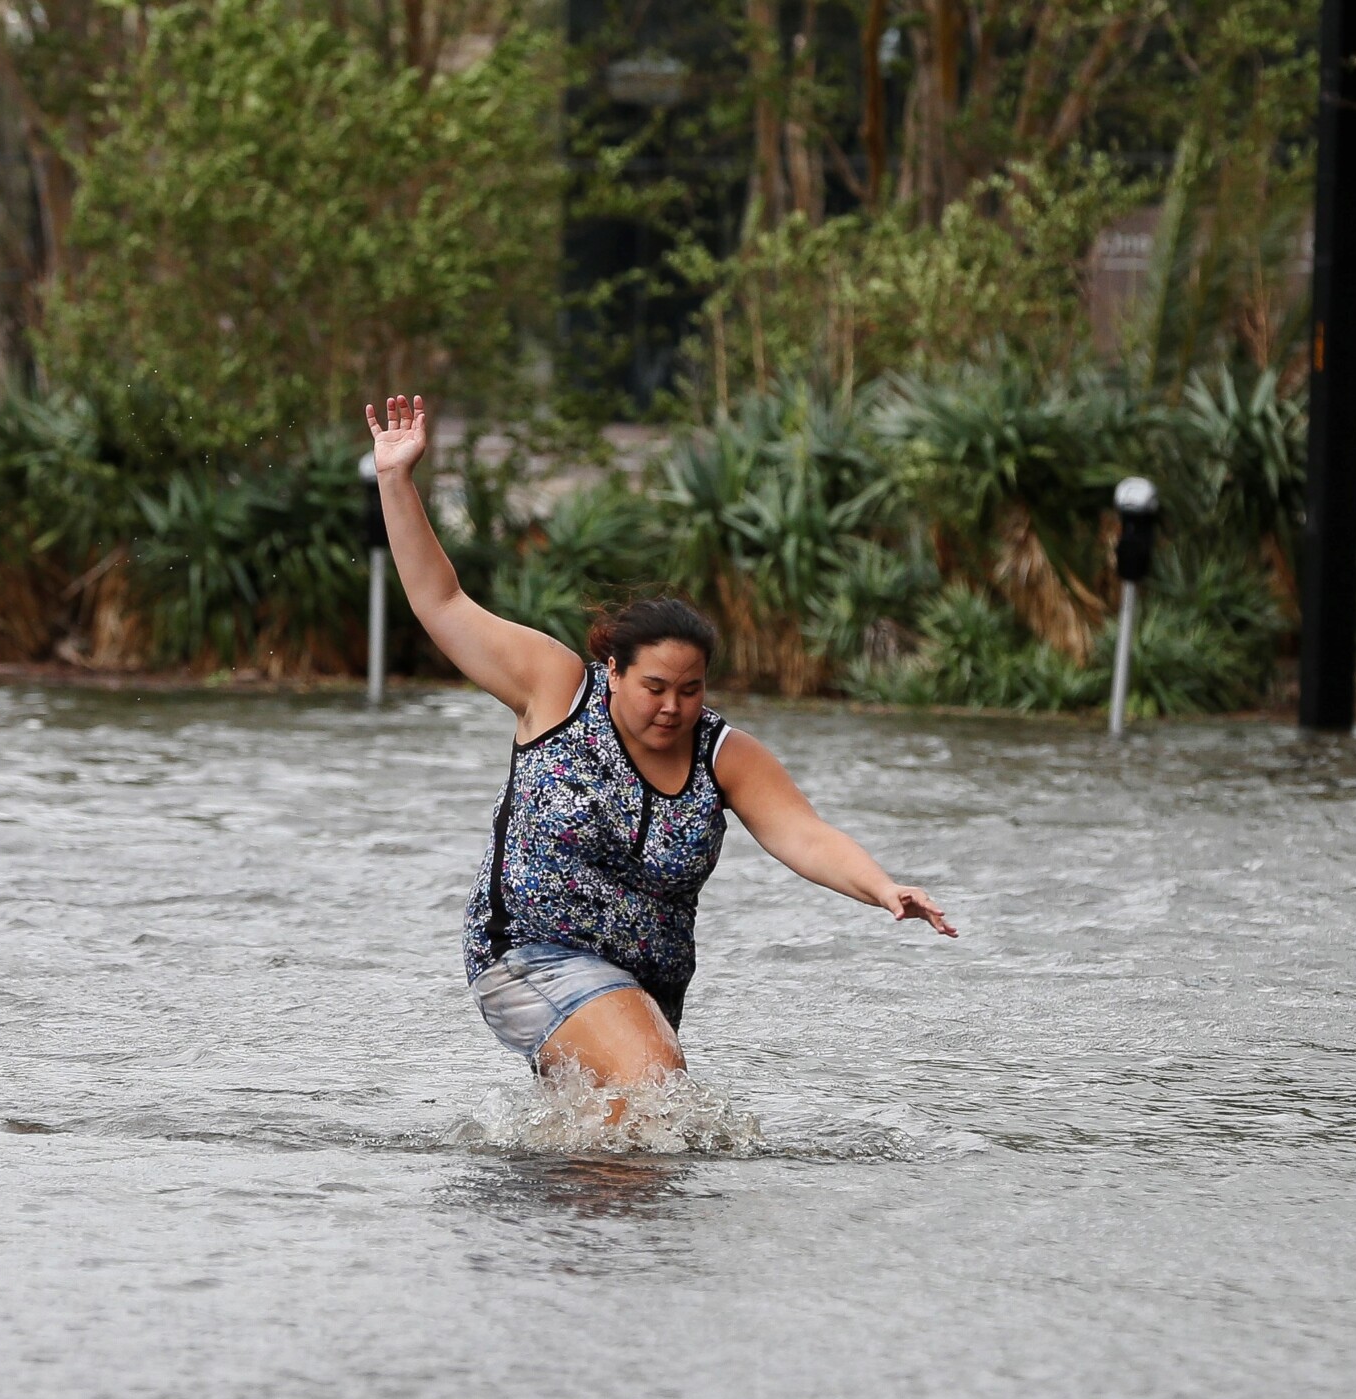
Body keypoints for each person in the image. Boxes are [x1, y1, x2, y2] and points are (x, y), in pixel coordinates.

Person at [365, 395, 957, 1089]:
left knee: (627, 1160)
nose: (673, 708)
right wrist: (395, 480)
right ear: (613, 669)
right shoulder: (556, 690)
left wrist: (881, 886)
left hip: (645, 994)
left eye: (691, 688)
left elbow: (803, 833)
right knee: (653, 1086)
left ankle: (530, 1195)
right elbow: (442, 602)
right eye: (654, 688)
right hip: (529, 954)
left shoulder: (723, 755)